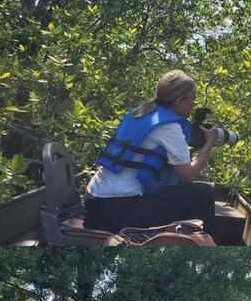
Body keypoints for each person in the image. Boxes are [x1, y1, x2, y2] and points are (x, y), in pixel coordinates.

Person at [84, 70, 219, 235]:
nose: (194, 103)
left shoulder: (139, 113)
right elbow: (187, 176)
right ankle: (208, 241)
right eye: (192, 98)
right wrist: (208, 145)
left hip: (94, 205)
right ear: (180, 101)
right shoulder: (170, 127)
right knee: (204, 194)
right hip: (116, 211)